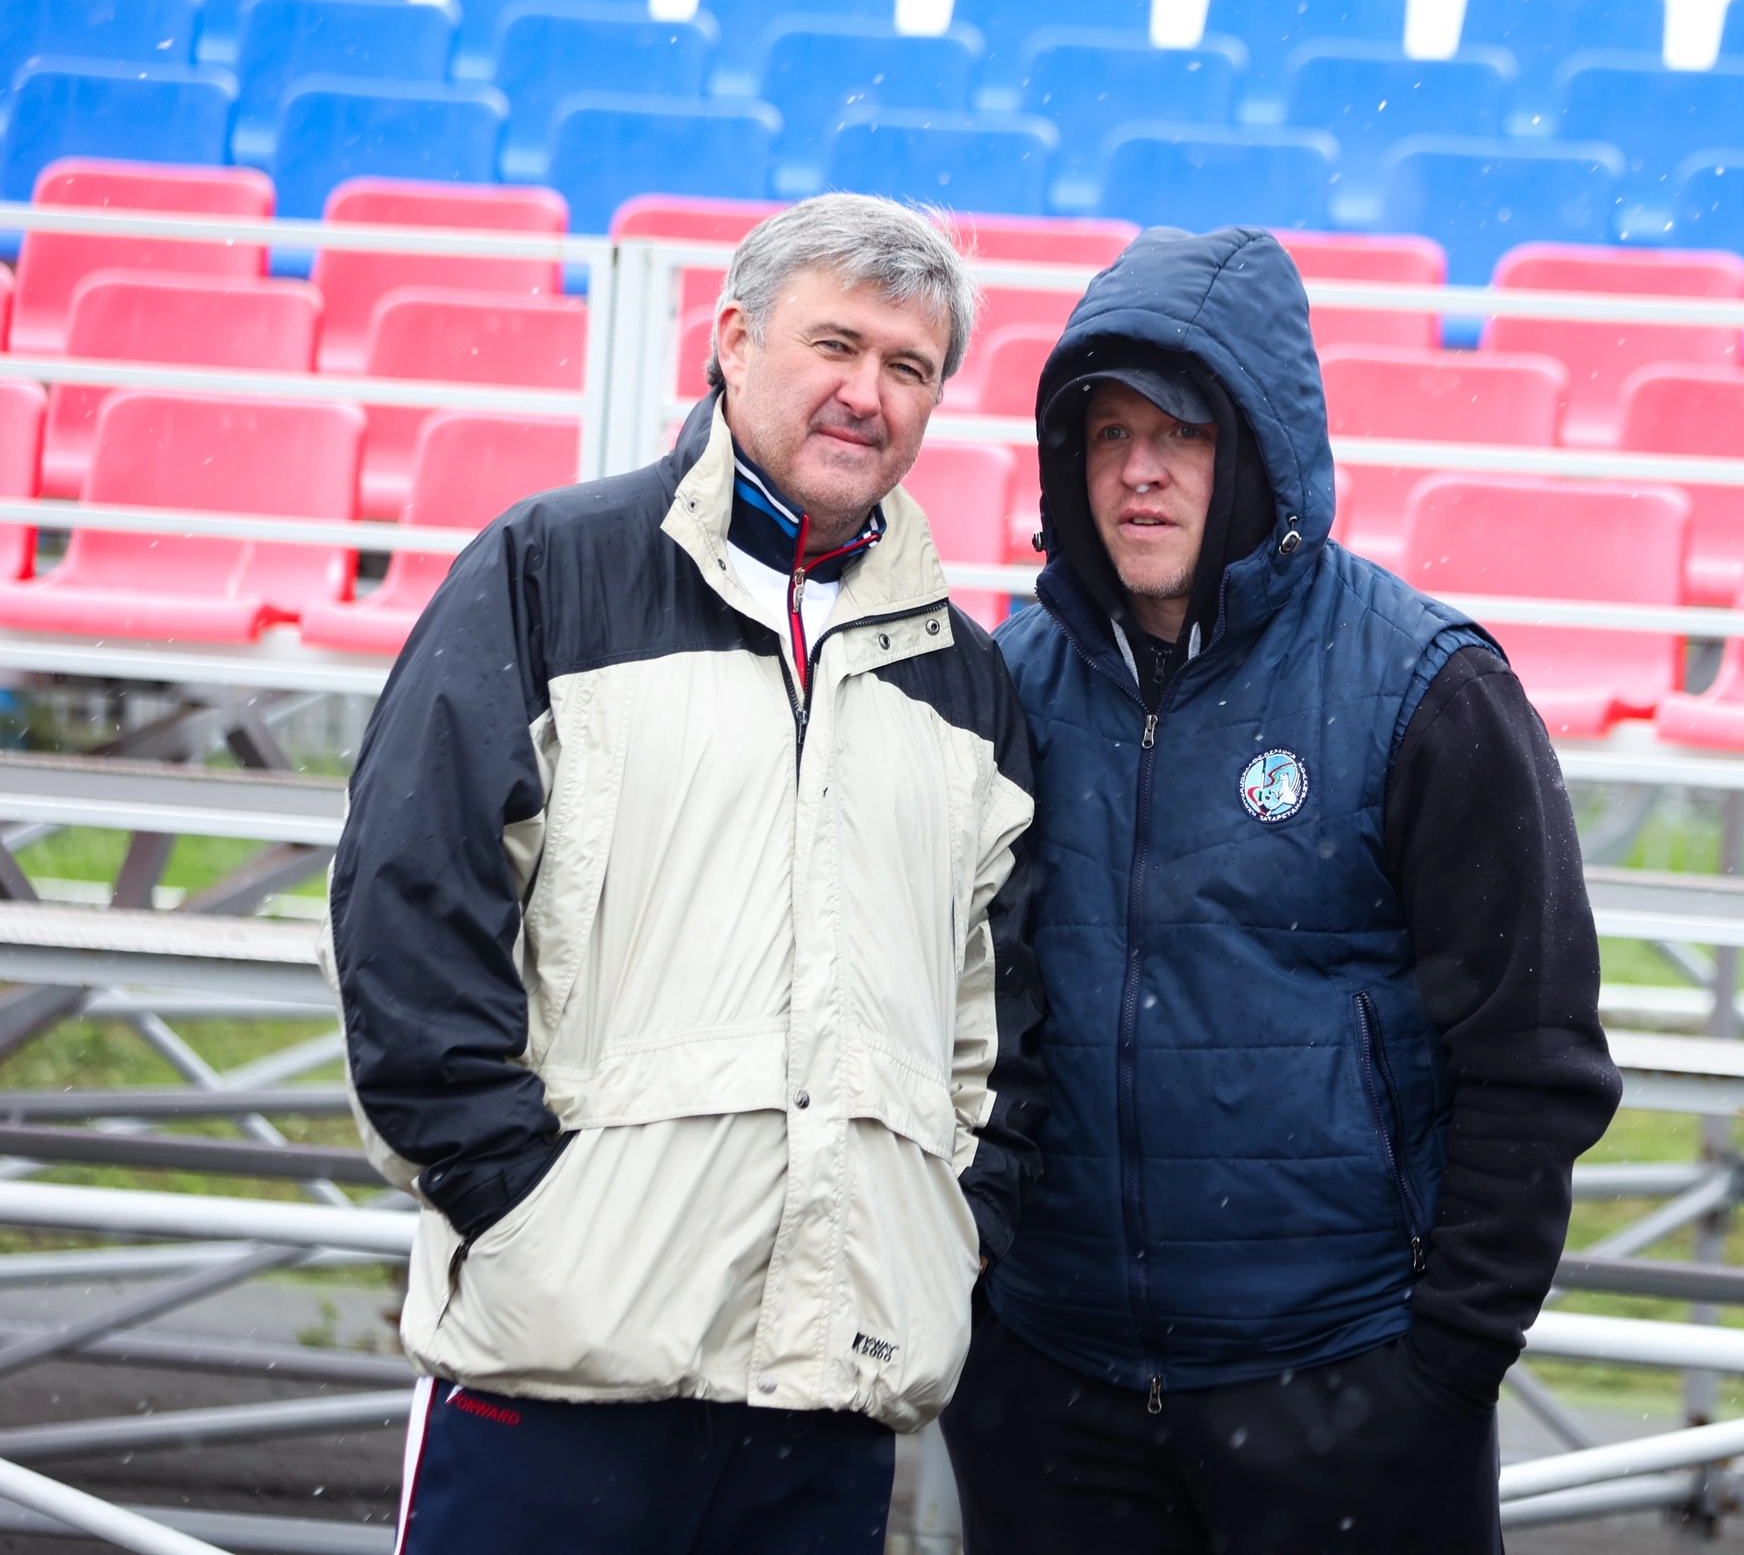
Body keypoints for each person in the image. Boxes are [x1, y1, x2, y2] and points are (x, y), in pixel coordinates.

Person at [329, 193, 1047, 1555]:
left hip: (826, 1402)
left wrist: (949, 1236)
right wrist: (523, 1208)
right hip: (565, 1368)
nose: (867, 393)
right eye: (835, 344)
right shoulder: (550, 569)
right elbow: (407, 907)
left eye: (908, 366)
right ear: (732, 339)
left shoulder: (969, 681)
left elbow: (1003, 1024)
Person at [941, 226, 1621, 1553]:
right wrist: (985, 1333)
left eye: (1181, 433)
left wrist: (1443, 1367)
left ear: (1258, 449)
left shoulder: (1427, 685)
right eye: (1108, 433)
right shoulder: (1007, 686)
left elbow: (1533, 1058)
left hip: (1345, 1386)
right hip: (1049, 1386)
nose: (1138, 471)